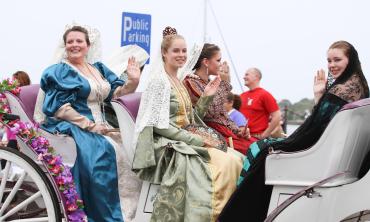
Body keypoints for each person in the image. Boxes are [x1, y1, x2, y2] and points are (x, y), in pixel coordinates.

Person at [218, 40, 369, 222]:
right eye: (329, 61)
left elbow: (316, 127)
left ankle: (239, 214)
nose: (332, 65)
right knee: (262, 147)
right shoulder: (359, 85)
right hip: (337, 157)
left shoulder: (342, 89)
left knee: (259, 149)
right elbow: (325, 123)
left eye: (337, 60)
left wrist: (286, 141)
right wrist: (319, 96)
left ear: (350, 60)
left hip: (322, 155)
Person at [132, 27, 243, 222]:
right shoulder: (159, 81)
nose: (181, 55)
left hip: (184, 136)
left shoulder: (177, 80)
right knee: (227, 163)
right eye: (176, 51)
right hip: (165, 142)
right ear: (164, 53)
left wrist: (206, 97)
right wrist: (196, 140)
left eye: (184, 50)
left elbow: (190, 119)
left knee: (237, 158)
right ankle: (209, 215)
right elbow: (160, 126)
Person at [40, 25, 142, 222]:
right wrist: (90, 125)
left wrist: (133, 81)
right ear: (65, 45)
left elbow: (116, 94)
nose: (74, 45)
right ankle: (104, 216)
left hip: (102, 126)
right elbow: (60, 107)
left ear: (88, 45)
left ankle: (130, 214)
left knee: (130, 149)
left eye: (79, 41)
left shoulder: (98, 69)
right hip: (75, 124)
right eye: (70, 41)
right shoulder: (60, 72)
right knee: (102, 153)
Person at [183, 43, 256, 154]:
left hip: (224, 131)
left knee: (260, 146)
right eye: (218, 60)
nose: (221, 64)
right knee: (253, 151)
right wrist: (224, 82)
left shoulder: (209, 82)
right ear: (206, 62)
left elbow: (222, 114)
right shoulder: (190, 83)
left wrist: (238, 131)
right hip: (211, 134)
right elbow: (211, 111)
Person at [239, 68, 281, 140]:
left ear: (256, 76)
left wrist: (265, 135)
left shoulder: (265, 95)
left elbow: (277, 116)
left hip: (256, 138)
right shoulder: (241, 96)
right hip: (241, 137)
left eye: (247, 74)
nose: (244, 77)